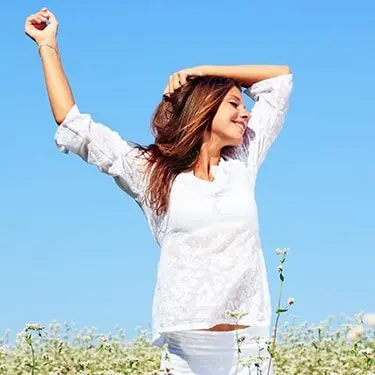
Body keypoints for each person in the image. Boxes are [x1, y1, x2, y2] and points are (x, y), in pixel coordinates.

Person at [25, 7, 293, 375]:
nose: (245, 114)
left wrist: (206, 72)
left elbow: (279, 81)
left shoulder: (243, 161)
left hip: (247, 346)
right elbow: (74, 125)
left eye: (244, 107)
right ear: (204, 110)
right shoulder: (153, 172)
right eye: (234, 104)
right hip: (186, 349)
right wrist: (47, 44)